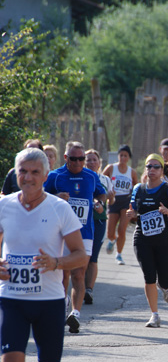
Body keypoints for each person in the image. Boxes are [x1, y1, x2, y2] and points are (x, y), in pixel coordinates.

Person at [0, 147, 86, 362]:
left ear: (46, 176)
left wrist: (56, 262)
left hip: (49, 302)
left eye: (36, 172)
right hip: (12, 299)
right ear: (16, 173)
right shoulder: (4, 206)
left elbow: (80, 255)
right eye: (23, 171)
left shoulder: (60, 208)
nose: (29, 177)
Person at [44, 141, 106, 333]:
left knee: (79, 274)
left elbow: (102, 195)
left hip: (84, 232)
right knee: (63, 275)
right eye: (74, 159)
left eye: (82, 159)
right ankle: (62, 306)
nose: (78, 163)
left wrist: (97, 202)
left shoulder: (91, 176)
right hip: (60, 233)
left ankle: (75, 314)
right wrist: (56, 197)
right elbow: (40, 197)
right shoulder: (55, 176)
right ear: (65, 158)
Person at [127, 154, 168, 328]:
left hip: (163, 240)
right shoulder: (138, 188)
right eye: (149, 166)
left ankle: (166, 288)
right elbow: (134, 212)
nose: (152, 170)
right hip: (142, 238)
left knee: (164, 279)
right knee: (149, 277)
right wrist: (132, 215)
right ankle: (154, 315)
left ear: (162, 170)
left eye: (156, 167)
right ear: (145, 169)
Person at [84, 149, 115, 305]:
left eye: (94, 159)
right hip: (82, 221)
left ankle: (89, 289)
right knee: (83, 256)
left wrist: (110, 198)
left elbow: (111, 201)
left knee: (93, 257)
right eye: (88, 160)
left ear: (99, 162)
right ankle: (79, 287)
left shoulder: (105, 179)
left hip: (99, 221)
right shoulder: (80, 177)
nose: (91, 162)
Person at [102, 144, 138, 265]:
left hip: (125, 201)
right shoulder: (111, 168)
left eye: (125, 155)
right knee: (110, 233)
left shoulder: (131, 172)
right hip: (113, 201)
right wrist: (107, 192)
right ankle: (113, 240)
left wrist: (135, 203)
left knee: (122, 229)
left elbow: (136, 188)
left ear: (129, 158)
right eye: (121, 155)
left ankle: (119, 255)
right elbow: (101, 181)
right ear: (118, 156)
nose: (123, 158)